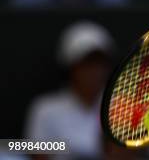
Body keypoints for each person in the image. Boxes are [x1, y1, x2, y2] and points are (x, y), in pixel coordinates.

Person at [24, 21, 116, 160]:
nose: (95, 71)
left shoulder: (121, 107)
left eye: (100, 63)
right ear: (71, 67)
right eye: (86, 64)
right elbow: (32, 151)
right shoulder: (45, 108)